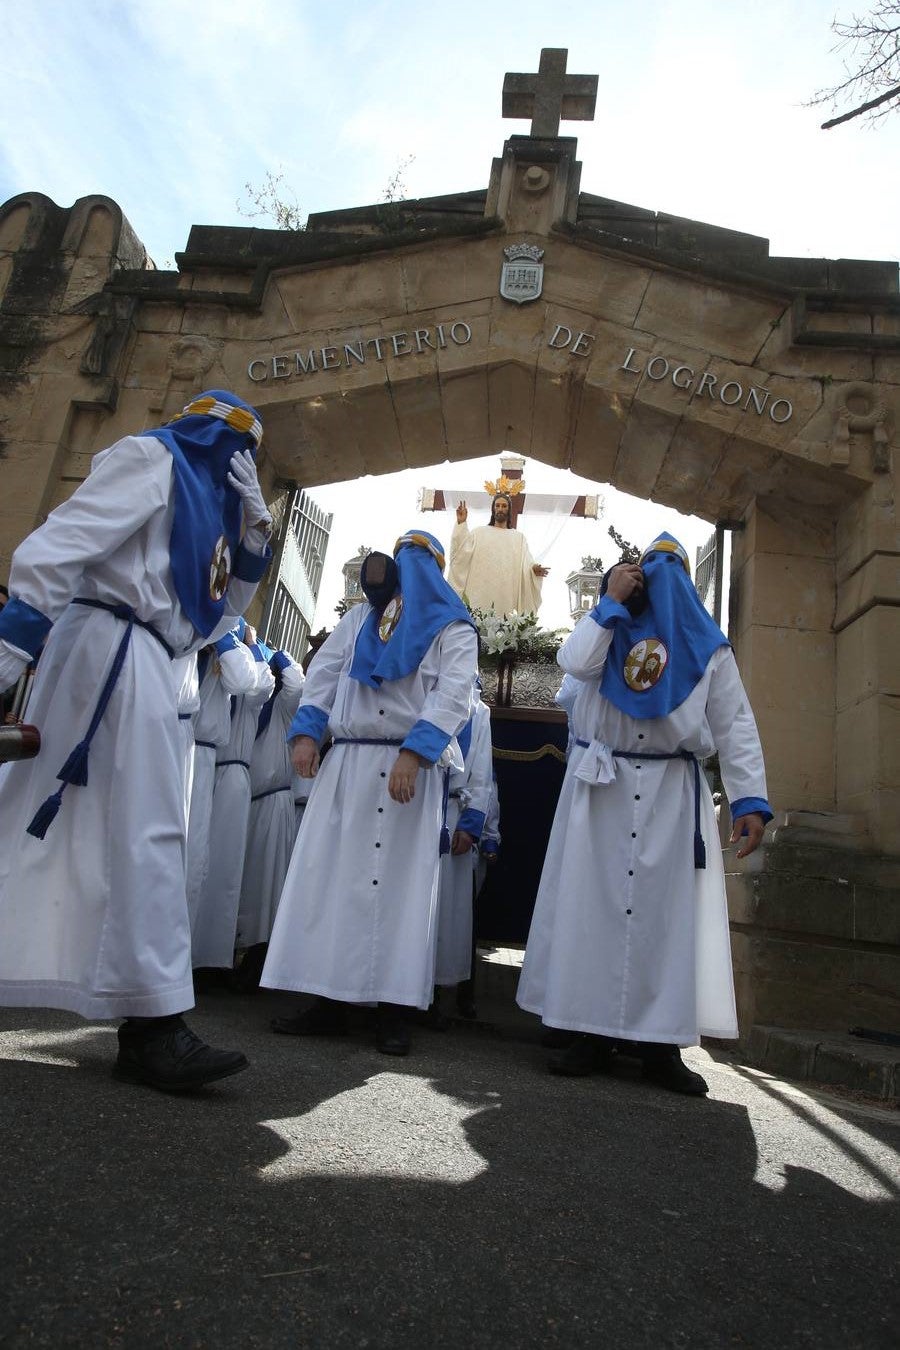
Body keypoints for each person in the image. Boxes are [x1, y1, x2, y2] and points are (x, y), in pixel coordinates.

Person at [0, 390, 273, 1091]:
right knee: (142, 833)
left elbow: (213, 620)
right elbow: (63, 541)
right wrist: (10, 648)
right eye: (241, 449)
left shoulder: (207, 510)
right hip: (110, 648)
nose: (244, 465)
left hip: (148, 659)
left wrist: (250, 545)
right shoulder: (151, 457)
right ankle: (155, 1026)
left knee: (101, 834)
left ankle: (149, 1020)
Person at [516, 533, 772, 1096]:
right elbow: (573, 663)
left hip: (670, 792)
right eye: (648, 571)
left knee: (666, 920)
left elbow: (735, 723)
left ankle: (660, 1046)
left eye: (669, 570)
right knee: (595, 913)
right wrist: (609, 603)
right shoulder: (607, 630)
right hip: (603, 788)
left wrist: (750, 799)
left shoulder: (709, 648)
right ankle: (590, 1031)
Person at [261, 533, 478, 1055]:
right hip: (350, 764)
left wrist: (415, 753)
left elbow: (455, 694)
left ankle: (394, 1009)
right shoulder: (361, 617)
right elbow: (324, 673)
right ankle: (328, 998)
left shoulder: (453, 626)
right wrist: (307, 733)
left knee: (402, 891)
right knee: (334, 882)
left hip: (407, 769)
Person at [190, 623, 274, 973]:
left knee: (203, 862)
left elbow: (248, 682)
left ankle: (200, 957)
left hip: (207, 757)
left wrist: (230, 637)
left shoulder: (232, 649)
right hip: (180, 746)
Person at [232, 642, 304, 990]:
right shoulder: (249, 699)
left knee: (265, 888)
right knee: (243, 885)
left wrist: (269, 650)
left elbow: (296, 682)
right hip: (244, 802)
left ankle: (258, 963)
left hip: (273, 802)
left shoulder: (284, 709)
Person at [434, 682, 493, 1019]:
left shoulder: (479, 711)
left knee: (447, 911)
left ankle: (436, 993)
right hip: (417, 808)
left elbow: (482, 772)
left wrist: (470, 824)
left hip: (455, 813)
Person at [448, 492, 548, 617]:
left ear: (509, 510)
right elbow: (460, 554)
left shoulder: (518, 538)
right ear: (493, 509)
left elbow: (526, 563)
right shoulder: (478, 533)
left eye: (504, 506)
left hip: (507, 598)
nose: (500, 509)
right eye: (497, 505)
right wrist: (461, 524)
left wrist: (533, 570)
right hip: (480, 597)